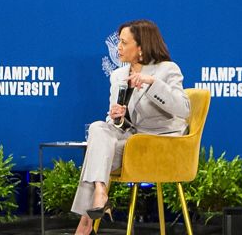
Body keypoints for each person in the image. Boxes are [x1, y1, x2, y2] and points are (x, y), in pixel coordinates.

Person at [72, 19, 190, 235]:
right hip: (132, 142)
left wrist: (152, 83)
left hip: (160, 145)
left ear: (141, 47)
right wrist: (118, 118)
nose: (118, 48)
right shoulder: (118, 76)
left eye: (124, 43)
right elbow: (117, 125)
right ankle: (99, 191)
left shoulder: (167, 70)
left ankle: (85, 224)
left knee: (96, 156)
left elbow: (183, 109)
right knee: (98, 128)